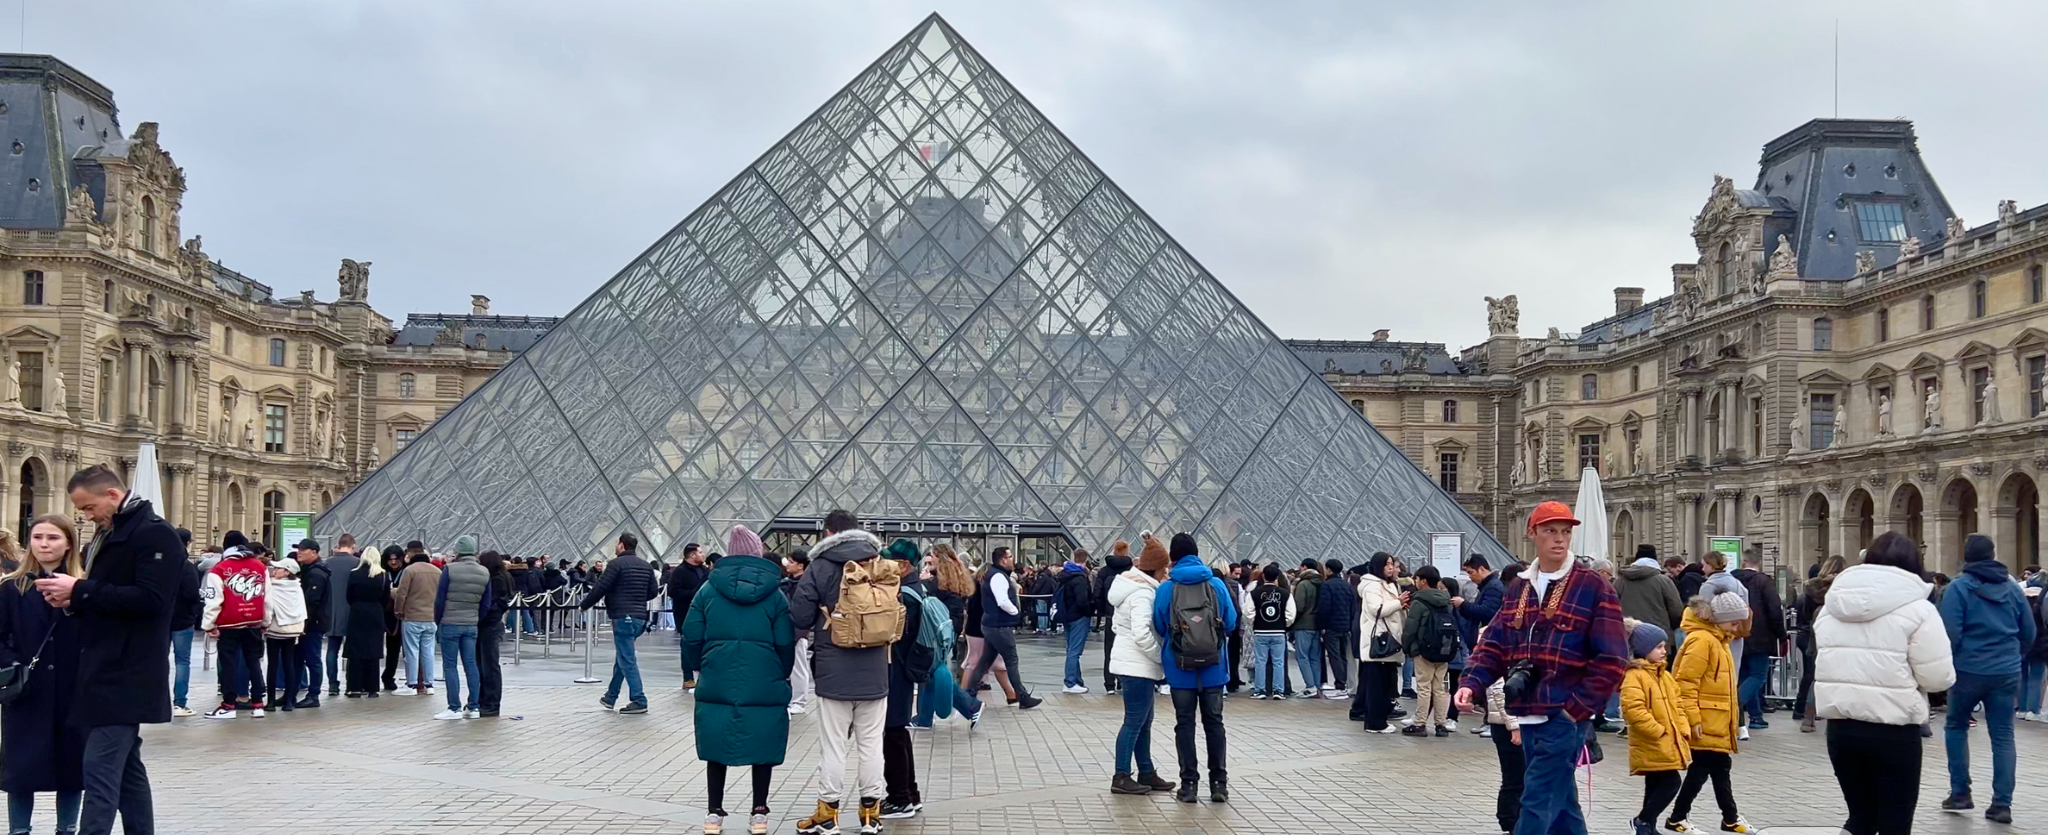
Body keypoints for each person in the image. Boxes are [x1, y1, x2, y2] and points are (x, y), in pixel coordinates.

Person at [1456, 501, 1630, 835]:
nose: (1559, 539)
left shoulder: (1593, 586)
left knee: (1536, 801)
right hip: (1526, 711)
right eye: (1550, 530)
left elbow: (1613, 657)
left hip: (1563, 714)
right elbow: (1494, 643)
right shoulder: (1519, 587)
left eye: (1566, 531)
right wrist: (1471, 682)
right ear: (1532, 533)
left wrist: (1576, 709)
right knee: (1563, 806)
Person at [45, 465, 182, 835]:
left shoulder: (155, 535)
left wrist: (80, 591)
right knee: (127, 772)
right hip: (103, 665)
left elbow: (153, 600)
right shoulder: (108, 535)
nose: (86, 516)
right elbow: (108, 598)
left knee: (100, 771)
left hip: (129, 669)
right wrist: (73, 599)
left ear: (111, 495)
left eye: (88, 508)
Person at [1813, 531, 1954, 835]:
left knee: (1860, 818)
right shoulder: (1919, 610)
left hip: (1841, 726)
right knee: (1895, 823)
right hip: (1893, 728)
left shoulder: (1831, 606)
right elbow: (1937, 677)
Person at [683, 525, 793, 835]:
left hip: (717, 673)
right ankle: (759, 813)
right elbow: (785, 642)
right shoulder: (775, 594)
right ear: (758, 553)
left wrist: (700, 667)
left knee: (717, 742)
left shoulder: (707, 590)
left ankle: (714, 814)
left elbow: (691, 636)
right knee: (763, 743)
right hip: (764, 675)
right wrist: (781, 671)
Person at [790, 510, 892, 835]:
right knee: (871, 745)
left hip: (833, 671)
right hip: (875, 668)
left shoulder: (820, 566)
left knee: (833, 746)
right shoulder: (878, 562)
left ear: (828, 533)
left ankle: (828, 813)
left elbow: (800, 614)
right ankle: (870, 815)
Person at [1936, 533, 2033, 823]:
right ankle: (2002, 804)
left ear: (1967, 556)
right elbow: (2028, 631)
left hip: (1967, 670)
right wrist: (2014, 657)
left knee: (1955, 727)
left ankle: (1960, 792)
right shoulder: (2013, 589)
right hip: (2005, 671)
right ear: (1993, 554)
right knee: (2003, 735)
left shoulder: (1958, 588)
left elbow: (1951, 632)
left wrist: (1952, 661)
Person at [0, 515, 86, 835]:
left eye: (52, 538)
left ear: (68, 544)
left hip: (71, 689)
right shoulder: (11, 587)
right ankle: (19, 830)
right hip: (25, 690)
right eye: (38, 537)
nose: (44, 544)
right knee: (21, 769)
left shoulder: (84, 587)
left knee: (71, 766)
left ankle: (67, 829)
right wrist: (11, 666)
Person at [1151, 533, 1236, 804]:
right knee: (1215, 723)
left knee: (1184, 724)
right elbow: (1231, 622)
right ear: (1197, 554)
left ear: (1173, 558)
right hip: (1213, 666)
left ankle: (1189, 785)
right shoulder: (1216, 584)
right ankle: (1219, 785)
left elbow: (1160, 625)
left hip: (1180, 668)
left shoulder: (1166, 588)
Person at [1666, 591, 1752, 834]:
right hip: (1705, 718)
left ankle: (1724, 817)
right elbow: (1686, 682)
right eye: (1733, 622)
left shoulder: (1718, 639)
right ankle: (1682, 817)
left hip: (1714, 718)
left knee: (1714, 768)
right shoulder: (1704, 640)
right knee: (1709, 767)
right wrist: (1692, 717)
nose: (1736, 628)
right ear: (1719, 619)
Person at [1106, 533, 1175, 795]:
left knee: (1143, 721)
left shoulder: (1131, 587)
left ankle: (1146, 771)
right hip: (1137, 664)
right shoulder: (1142, 594)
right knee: (1135, 721)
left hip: (1132, 662)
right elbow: (1142, 633)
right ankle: (1121, 775)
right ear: (1157, 568)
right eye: (1165, 568)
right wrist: (1161, 656)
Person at [880, 541, 934, 821]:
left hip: (897, 669)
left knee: (893, 734)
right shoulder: (917, 588)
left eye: (889, 561)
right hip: (906, 669)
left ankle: (899, 798)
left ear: (903, 565)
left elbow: (897, 638)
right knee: (898, 733)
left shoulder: (905, 595)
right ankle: (910, 794)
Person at [1621, 619, 1690, 835]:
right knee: (1671, 783)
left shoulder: (1664, 676)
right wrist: (1658, 730)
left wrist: (1683, 728)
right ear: (1643, 649)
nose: (1664, 651)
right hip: (1653, 741)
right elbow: (1633, 709)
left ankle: (1647, 826)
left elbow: (1678, 705)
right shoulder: (1635, 676)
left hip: (1668, 739)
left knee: (1654, 784)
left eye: (1664, 646)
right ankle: (1642, 820)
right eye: (1658, 647)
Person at [578, 533, 659, 715]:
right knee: (623, 656)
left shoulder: (615, 564)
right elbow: (653, 592)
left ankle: (639, 699)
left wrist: (584, 605)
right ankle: (611, 696)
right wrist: (637, 599)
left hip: (622, 616)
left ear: (621, 545)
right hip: (639, 617)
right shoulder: (646, 566)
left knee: (627, 659)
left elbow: (601, 587)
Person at [960, 546, 1041, 711]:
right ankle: (1022, 696)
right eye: (1010, 556)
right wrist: (1015, 611)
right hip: (999, 625)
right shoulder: (998, 576)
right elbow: (1002, 601)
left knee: (985, 661)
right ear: (1003, 559)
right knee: (1011, 660)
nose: (1012, 559)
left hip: (990, 625)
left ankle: (969, 693)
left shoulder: (992, 574)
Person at [201, 537, 269, 718]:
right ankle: (258, 704)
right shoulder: (260, 567)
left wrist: (209, 624)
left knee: (228, 664)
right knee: (253, 662)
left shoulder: (220, 569)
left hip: (229, 623)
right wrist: (265, 621)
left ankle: (229, 704)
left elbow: (213, 600)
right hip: (253, 622)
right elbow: (267, 598)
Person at [1730, 550, 1785, 731]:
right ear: (1758, 563)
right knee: (1758, 675)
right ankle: (1734, 707)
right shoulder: (1763, 581)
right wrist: (1781, 635)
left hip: (1737, 634)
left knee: (1745, 676)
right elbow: (1774, 610)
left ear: (1743, 562)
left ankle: (1755, 716)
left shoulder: (1733, 581)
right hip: (1760, 635)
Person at [1793, 555, 1847, 732]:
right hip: (1840, 633)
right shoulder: (1844, 585)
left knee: (1816, 677)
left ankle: (1808, 716)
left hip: (1816, 633)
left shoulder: (1812, 588)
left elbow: (1806, 613)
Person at [1401, 565, 1455, 736]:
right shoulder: (1446, 600)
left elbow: (1411, 628)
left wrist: (1407, 646)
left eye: (1417, 579)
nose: (1415, 582)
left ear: (1423, 581)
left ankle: (1420, 724)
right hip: (1444, 649)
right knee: (1439, 688)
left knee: (1424, 687)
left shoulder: (1419, 601)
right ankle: (1441, 725)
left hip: (1423, 650)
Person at [1356, 553, 1406, 733]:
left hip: (1388, 641)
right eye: (1387, 564)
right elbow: (1377, 610)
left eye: (1392, 564)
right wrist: (1398, 602)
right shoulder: (1372, 586)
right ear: (1378, 566)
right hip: (1380, 641)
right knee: (1378, 686)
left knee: (1384, 685)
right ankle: (1375, 723)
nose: (1391, 568)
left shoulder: (1386, 584)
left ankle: (1379, 720)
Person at [393, 544, 442, 697]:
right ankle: (429, 684)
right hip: (431, 617)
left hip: (413, 617)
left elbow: (402, 594)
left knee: (412, 652)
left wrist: (398, 611)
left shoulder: (410, 570)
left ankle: (411, 684)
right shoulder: (437, 571)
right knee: (428, 652)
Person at [1615, 545, 1685, 652]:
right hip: (1658, 636)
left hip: (1628, 634)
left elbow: (1612, 604)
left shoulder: (1621, 581)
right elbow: (1676, 608)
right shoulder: (1664, 581)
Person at [261, 556, 308, 713]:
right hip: (292, 630)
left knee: (273, 665)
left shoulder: (272, 587)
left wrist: (264, 624)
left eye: (278, 568)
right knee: (289, 664)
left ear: (287, 572)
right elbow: (301, 609)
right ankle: (288, 701)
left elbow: (268, 607)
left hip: (274, 629)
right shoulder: (297, 587)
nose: (274, 570)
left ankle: (271, 702)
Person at [289, 539, 330, 709]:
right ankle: (292, 694)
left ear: (314, 552)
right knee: (297, 660)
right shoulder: (308, 570)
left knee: (312, 660)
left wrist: (303, 624)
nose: (299, 552)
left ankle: (313, 695)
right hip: (307, 624)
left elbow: (311, 602)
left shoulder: (316, 573)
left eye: (303, 550)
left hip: (310, 625)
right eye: (298, 549)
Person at [342, 553, 388, 699]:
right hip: (376, 613)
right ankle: (372, 688)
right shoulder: (383, 575)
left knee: (355, 651)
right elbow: (386, 598)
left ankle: (354, 687)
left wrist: (357, 605)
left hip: (357, 612)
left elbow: (349, 595)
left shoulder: (354, 574)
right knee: (373, 650)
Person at [321, 534, 360, 698]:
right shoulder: (357, 564)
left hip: (331, 612)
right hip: (351, 612)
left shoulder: (327, 563)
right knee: (352, 651)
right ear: (353, 545)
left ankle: (332, 684)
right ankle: (351, 683)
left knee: (332, 650)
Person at [1248, 564, 1293, 699]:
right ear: (1277, 577)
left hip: (1260, 630)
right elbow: (1291, 614)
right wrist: (1284, 624)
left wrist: (1255, 622)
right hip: (1278, 631)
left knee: (1260, 661)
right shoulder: (1285, 594)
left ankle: (1259, 690)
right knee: (1278, 662)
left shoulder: (1254, 593)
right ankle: (1278, 690)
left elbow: (1248, 612)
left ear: (1263, 576)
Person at [168, 536, 201, 719]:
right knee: (182, 662)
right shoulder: (186, 566)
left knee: (159, 661)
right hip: (182, 620)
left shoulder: (160, 564)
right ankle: (179, 703)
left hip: (162, 620)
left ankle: (158, 701)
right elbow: (192, 593)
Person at [1053, 548, 1094, 693]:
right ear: (1086, 560)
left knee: (1071, 649)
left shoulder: (1066, 574)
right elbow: (1082, 600)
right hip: (1078, 616)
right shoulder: (1080, 578)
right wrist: (1089, 610)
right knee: (1075, 651)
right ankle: (1070, 682)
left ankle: (1076, 680)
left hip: (1067, 615)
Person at [476, 551, 511, 718]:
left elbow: (492, 605)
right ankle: (487, 702)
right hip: (491, 625)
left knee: (489, 666)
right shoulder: (502, 578)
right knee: (486, 665)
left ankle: (491, 703)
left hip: (489, 626)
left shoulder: (496, 581)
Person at [669, 543, 709, 690]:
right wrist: (693, 594)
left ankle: (702, 676)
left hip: (704, 613)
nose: (703, 554)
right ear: (692, 555)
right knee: (686, 644)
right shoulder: (679, 572)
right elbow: (674, 592)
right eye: (700, 552)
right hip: (685, 613)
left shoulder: (705, 570)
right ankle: (688, 677)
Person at [1095, 540, 1133, 694]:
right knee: (1127, 650)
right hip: (1127, 616)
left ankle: (1109, 683)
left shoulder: (1104, 571)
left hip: (1110, 615)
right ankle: (1122, 681)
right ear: (1127, 552)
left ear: (1113, 550)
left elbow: (1097, 594)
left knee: (1109, 650)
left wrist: (1102, 611)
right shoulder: (1131, 571)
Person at [1316, 557, 1355, 698]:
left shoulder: (1327, 586)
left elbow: (1325, 608)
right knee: (1343, 655)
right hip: (1345, 626)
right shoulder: (1347, 585)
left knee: (1334, 655)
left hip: (1331, 626)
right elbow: (1352, 607)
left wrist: (1322, 626)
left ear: (1329, 570)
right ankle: (1343, 684)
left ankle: (1340, 685)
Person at [781, 550, 814, 716]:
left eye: (792, 561)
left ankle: (799, 701)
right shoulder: (785, 583)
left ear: (801, 566)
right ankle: (791, 699)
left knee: (798, 666)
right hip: (784, 629)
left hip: (799, 632)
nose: (788, 564)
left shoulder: (807, 584)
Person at [1287, 559, 1321, 699]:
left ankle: (1310, 686)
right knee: (1314, 657)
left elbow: (1299, 606)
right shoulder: (1321, 583)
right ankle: (1316, 686)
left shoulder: (1303, 584)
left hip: (1304, 624)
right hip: (1317, 624)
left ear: (1305, 567)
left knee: (1302, 656)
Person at [378, 547, 407, 691]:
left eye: (396, 559)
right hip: (383, 613)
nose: (394, 562)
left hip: (401, 613)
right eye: (391, 559)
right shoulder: (381, 572)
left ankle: (390, 677)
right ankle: (379, 677)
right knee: (383, 648)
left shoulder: (407, 572)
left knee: (397, 649)